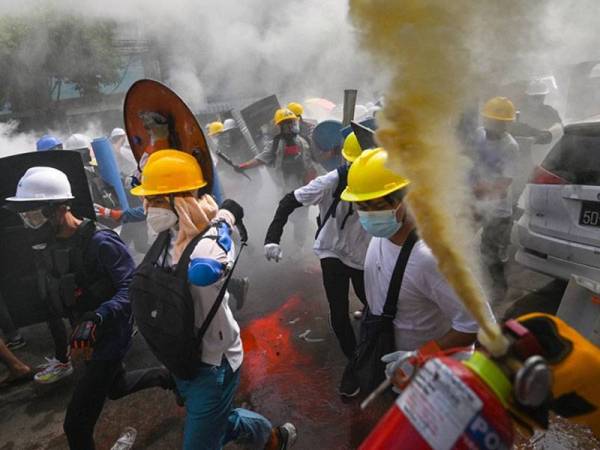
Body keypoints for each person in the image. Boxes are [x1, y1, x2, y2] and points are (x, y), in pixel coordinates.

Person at [130, 149, 296, 450]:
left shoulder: (210, 242)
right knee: (219, 421)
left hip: (213, 364)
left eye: (155, 201)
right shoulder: (167, 232)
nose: (148, 208)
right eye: (148, 200)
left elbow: (204, 271)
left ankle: (269, 438)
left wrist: (225, 218)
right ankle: (271, 438)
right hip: (181, 356)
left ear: (179, 201)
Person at [4, 166, 175, 450]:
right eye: (25, 215)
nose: (28, 222)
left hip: (110, 334)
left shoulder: (100, 241)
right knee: (116, 386)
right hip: (86, 335)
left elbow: (131, 287)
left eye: (33, 213)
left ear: (58, 208)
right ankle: (169, 377)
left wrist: (98, 316)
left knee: (76, 425)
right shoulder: (50, 245)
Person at [341, 148, 481, 353]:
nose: (369, 215)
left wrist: (420, 357)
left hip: (429, 376)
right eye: (362, 206)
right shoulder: (381, 236)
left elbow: (474, 324)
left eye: (378, 205)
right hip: (386, 358)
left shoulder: (432, 258)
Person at [264, 132, 370, 397]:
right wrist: (272, 239)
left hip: (363, 254)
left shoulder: (382, 178)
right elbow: (289, 201)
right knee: (338, 308)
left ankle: (375, 342)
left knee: (370, 300)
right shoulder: (331, 182)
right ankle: (354, 363)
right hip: (331, 250)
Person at [237, 108, 317, 248]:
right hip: (284, 187)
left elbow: (315, 162)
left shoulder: (305, 141)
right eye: (286, 124)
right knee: (289, 216)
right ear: (280, 127)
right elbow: (261, 159)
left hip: (303, 185)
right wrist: (244, 166)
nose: (290, 127)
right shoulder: (275, 144)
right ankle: (305, 234)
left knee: (301, 218)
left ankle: (299, 246)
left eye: (292, 123)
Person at [468, 97, 520, 301]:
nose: (494, 126)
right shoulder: (478, 135)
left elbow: (504, 183)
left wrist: (480, 189)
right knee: (461, 241)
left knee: (490, 252)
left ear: (507, 123)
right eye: (491, 121)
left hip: (497, 208)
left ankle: (499, 288)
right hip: (474, 201)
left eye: (500, 122)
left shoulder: (510, 146)